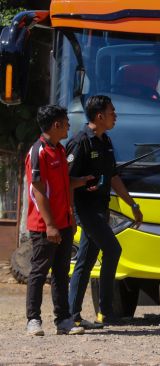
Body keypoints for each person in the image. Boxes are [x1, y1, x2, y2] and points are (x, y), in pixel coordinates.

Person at [67, 95, 143, 328]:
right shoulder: (80, 142)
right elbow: (66, 181)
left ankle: (73, 316)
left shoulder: (105, 141)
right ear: (99, 116)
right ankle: (106, 312)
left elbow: (113, 176)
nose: (115, 116)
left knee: (86, 261)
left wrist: (132, 205)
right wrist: (69, 213)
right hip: (85, 209)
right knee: (113, 249)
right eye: (112, 112)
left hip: (101, 209)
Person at [24, 105, 93, 336]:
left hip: (63, 223)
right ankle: (33, 319)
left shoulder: (60, 151)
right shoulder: (38, 152)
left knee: (62, 273)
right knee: (39, 272)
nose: (68, 126)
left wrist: (83, 181)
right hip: (44, 226)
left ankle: (63, 319)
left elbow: (64, 184)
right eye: (65, 122)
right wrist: (50, 225)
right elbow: (38, 190)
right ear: (56, 125)